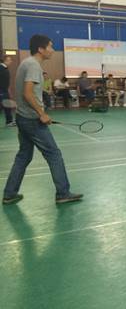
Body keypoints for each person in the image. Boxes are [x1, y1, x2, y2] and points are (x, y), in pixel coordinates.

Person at [3, 34, 83, 205]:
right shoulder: (33, 65)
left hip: (23, 117)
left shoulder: (26, 63)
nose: (52, 50)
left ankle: (9, 194)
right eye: (50, 46)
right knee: (54, 154)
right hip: (32, 120)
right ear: (41, 49)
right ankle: (63, 193)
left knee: (23, 156)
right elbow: (27, 93)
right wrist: (42, 113)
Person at [0, 55, 15, 126]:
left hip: (5, 91)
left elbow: (6, 82)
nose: (11, 61)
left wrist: (9, 91)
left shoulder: (5, 69)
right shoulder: (1, 68)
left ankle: (9, 121)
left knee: (7, 105)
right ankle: (9, 121)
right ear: (5, 60)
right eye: (10, 60)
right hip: (1, 91)